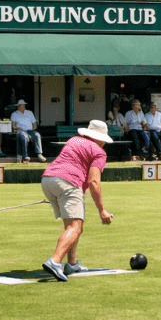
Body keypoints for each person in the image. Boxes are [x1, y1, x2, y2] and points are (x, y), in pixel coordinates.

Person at [39, 119, 114, 282]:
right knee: (75, 227)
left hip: (48, 180)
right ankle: (55, 261)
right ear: (100, 138)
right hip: (68, 182)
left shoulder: (74, 140)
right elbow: (93, 181)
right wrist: (102, 210)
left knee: (71, 226)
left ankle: (71, 263)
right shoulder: (99, 152)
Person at [10, 99, 46, 163]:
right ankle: (25, 156)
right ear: (18, 106)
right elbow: (13, 126)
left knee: (37, 135)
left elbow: (34, 123)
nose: (22, 106)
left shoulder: (29, 112)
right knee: (24, 136)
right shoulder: (14, 114)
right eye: (21, 105)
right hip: (21, 131)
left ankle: (39, 154)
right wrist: (18, 129)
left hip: (30, 130)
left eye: (23, 105)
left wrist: (33, 129)